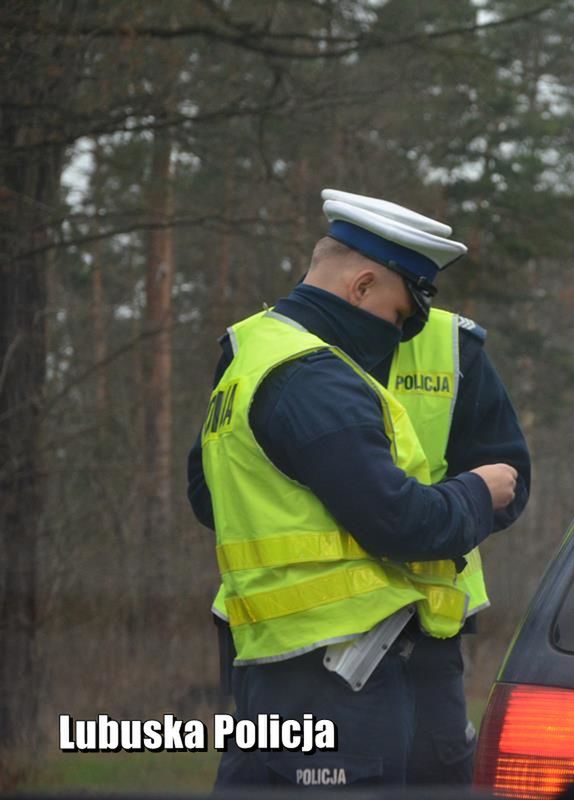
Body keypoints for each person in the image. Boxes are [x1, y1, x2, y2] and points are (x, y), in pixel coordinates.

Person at [186, 191, 528, 787]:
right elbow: (396, 519)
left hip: (286, 655)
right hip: (345, 666)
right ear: (362, 287)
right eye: (398, 316)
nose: (400, 334)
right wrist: (472, 494)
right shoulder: (310, 375)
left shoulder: (259, 354)